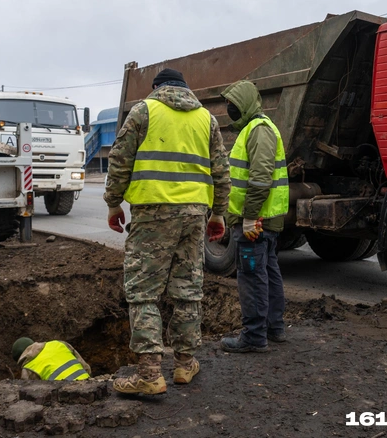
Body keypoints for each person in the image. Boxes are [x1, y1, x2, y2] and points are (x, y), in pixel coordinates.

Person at [104, 68, 230, 395]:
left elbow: (119, 160)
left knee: (144, 290)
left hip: (153, 213)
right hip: (195, 216)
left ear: (157, 87)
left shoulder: (144, 111)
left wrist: (114, 203)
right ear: (185, 89)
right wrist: (218, 213)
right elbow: (221, 171)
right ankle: (185, 365)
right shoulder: (206, 119)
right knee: (187, 287)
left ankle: (149, 374)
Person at [218, 80, 289, 353]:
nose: (229, 110)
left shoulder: (258, 130)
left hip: (256, 222)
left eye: (233, 105)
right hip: (264, 220)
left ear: (246, 105)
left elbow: (260, 177)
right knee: (268, 272)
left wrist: (249, 217)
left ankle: (254, 337)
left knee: (251, 276)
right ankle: (274, 328)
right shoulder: (255, 129)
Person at [12, 337, 91, 381]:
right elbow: (86, 367)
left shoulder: (28, 368)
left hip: (66, 395)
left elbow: (32, 392)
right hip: (89, 385)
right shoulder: (59, 344)